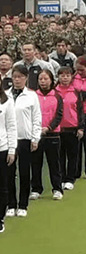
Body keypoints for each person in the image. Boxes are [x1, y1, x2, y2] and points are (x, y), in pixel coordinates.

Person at [4, 65, 41, 218]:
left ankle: (23, 204)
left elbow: (36, 118)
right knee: (9, 173)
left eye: (20, 77)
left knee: (25, 172)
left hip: (25, 139)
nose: (17, 80)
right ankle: (11, 204)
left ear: (26, 78)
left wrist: (35, 137)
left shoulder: (32, 96)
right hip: (9, 140)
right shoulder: (5, 95)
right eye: (15, 77)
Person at [31, 69, 63, 201]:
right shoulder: (33, 96)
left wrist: (49, 127)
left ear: (51, 80)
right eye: (40, 79)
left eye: (46, 79)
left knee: (54, 163)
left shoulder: (57, 96)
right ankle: (36, 189)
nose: (43, 82)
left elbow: (59, 115)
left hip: (53, 135)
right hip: (36, 135)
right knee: (36, 163)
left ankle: (57, 188)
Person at [55, 66, 82, 191]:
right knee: (59, 155)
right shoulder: (54, 91)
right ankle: (61, 178)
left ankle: (70, 179)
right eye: (62, 75)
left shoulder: (76, 91)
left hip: (72, 127)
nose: (64, 78)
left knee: (72, 155)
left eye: (67, 75)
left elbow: (81, 111)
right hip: (58, 129)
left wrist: (81, 127)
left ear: (71, 77)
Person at [0, 84, 16, 233]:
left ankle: (0, 218)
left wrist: (12, 149)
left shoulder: (7, 101)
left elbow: (11, 126)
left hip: (2, 149)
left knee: (2, 186)